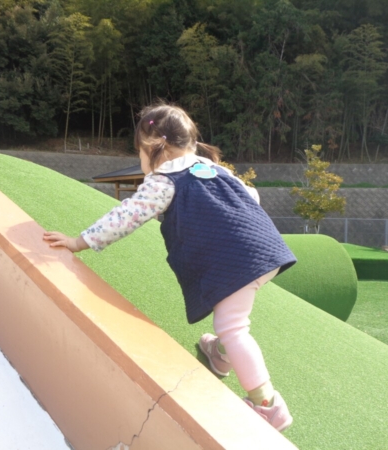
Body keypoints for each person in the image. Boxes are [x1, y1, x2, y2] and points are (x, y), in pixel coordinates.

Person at [43, 104, 297, 432]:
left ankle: (267, 405)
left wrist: (79, 241)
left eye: (139, 152)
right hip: (265, 249)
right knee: (231, 316)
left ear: (153, 148)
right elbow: (251, 196)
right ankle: (221, 354)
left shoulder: (165, 180)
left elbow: (128, 215)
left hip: (234, 262)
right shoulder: (212, 168)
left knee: (233, 325)